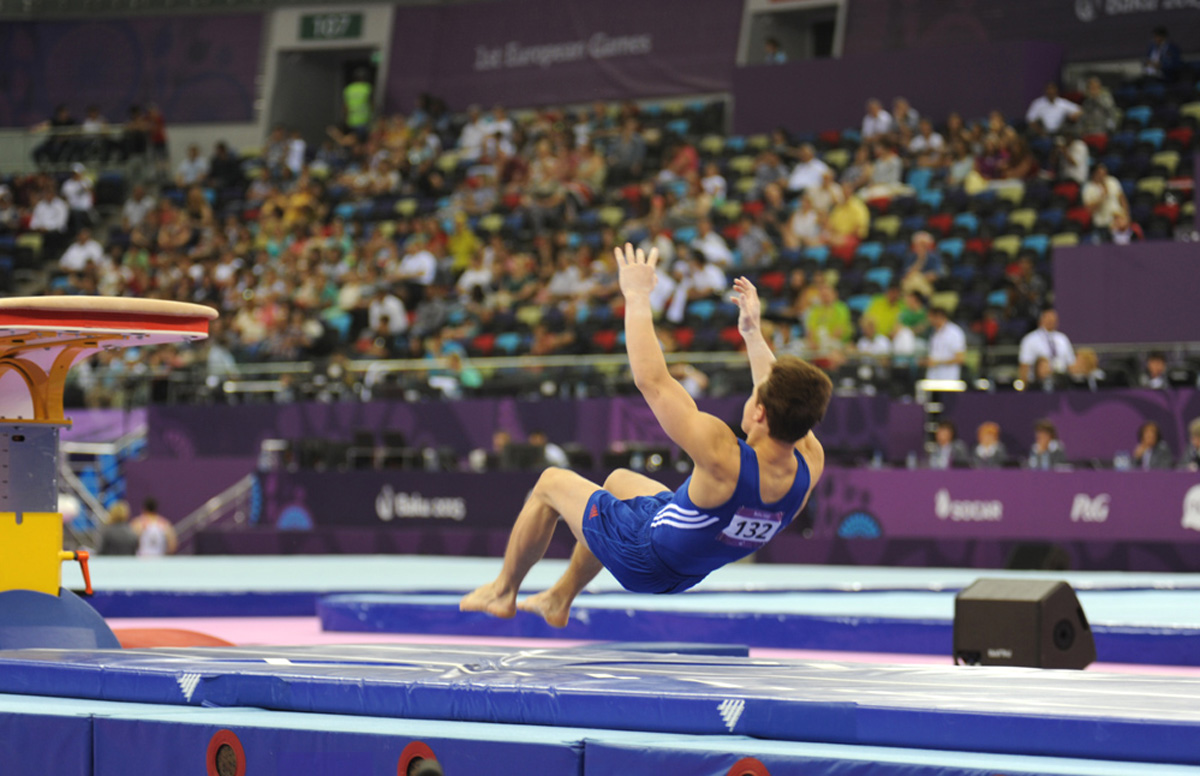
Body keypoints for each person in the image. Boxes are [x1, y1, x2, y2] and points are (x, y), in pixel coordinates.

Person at [461, 245, 831, 626]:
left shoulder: (724, 455)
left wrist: (636, 296)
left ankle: (503, 590)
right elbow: (778, 390)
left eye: (757, 393)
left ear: (759, 412)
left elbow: (652, 381)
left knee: (550, 484)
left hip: (644, 557)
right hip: (690, 567)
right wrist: (752, 333)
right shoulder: (809, 460)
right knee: (618, 482)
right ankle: (560, 597)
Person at [1018, 308, 1075, 382]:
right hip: (1037, 382)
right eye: (1048, 318)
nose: (1051, 321)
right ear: (1041, 320)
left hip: (1062, 381)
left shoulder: (1063, 339)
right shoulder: (1030, 340)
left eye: (1053, 319)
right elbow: (1024, 364)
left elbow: (1070, 362)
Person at [924, 306, 965, 381]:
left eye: (931, 317)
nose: (929, 320)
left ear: (939, 316)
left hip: (948, 378)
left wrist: (938, 362)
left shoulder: (954, 333)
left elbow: (960, 358)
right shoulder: (934, 333)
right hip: (933, 377)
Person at [343, 68, 374, 139]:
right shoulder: (367, 87)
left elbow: (345, 106)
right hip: (364, 120)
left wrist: (345, 120)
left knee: (353, 142)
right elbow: (372, 103)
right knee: (362, 142)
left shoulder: (349, 89)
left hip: (351, 120)